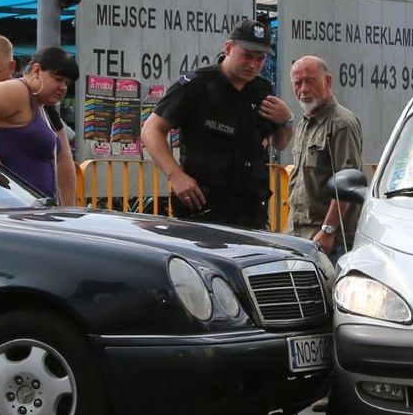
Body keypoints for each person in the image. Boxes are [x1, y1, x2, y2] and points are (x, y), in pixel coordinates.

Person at [141, 18, 294, 229]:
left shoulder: (261, 90)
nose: (253, 65)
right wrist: (176, 176)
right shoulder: (196, 85)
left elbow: (279, 143)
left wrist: (286, 121)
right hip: (203, 208)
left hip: (250, 210)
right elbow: (151, 130)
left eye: (260, 59)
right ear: (228, 48)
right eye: (247, 56)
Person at [0, 45, 79, 206]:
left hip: (36, 211)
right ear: (36, 71)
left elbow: (64, 158)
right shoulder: (19, 90)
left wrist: (67, 209)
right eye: (58, 79)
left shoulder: (42, 105)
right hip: (10, 212)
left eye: (67, 83)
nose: (63, 87)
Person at [285, 55, 364, 262]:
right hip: (298, 237)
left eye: (310, 80)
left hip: (329, 243)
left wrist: (328, 230)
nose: (303, 89)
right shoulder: (305, 123)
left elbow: (347, 185)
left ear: (327, 82)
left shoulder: (341, 124)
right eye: (297, 83)